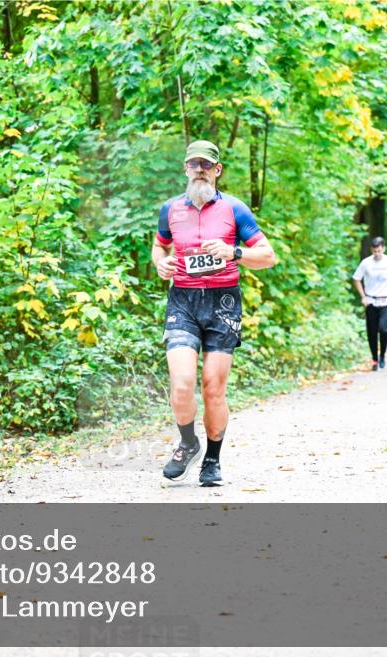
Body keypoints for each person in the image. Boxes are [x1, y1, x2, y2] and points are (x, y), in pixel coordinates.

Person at [153, 140, 277, 486]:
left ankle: (212, 459)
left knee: (213, 388)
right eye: (194, 165)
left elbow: (268, 256)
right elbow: (160, 245)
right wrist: (161, 263)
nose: (200, 170)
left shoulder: (235, 209)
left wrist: (231, 251)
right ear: (185, 169)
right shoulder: (170, 209)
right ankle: (188, 442)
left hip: (223, 302)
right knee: (181, 384)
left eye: (206, 165)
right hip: (183, 300)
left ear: (217, 170)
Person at [352, 237, 387, 371]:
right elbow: (356, 279)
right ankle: (374, 359)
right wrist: (363, 296)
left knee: (384, 330)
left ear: (383, 249)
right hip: (371, 301)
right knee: (372, 332)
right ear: (371, 250)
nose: (377, 254)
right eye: (374, 251)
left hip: (386, 300)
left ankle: (382, 356)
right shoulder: (366, 263)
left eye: (379, 251)